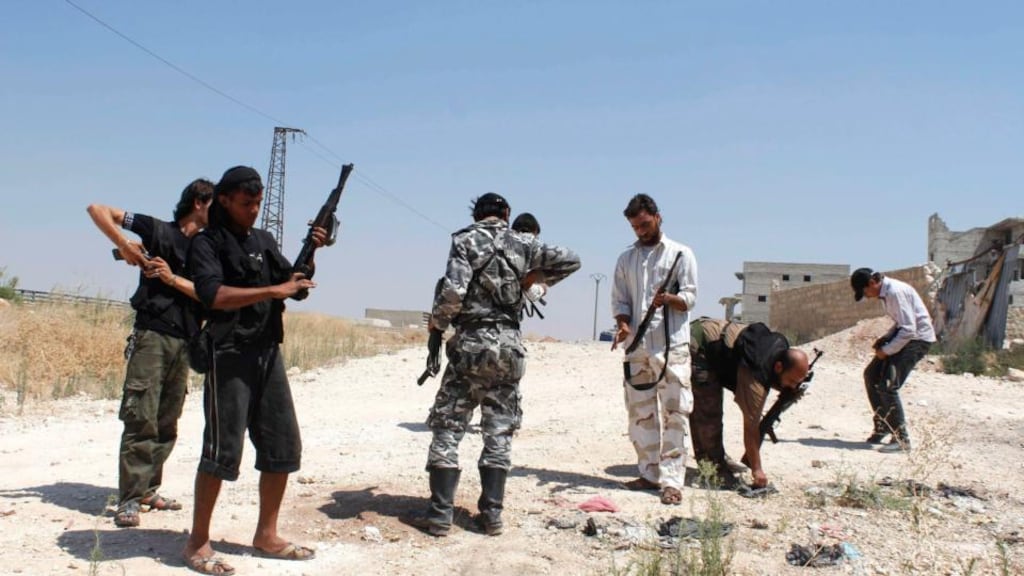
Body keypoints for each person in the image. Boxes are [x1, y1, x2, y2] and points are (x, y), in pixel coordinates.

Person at [182, 166, 329, 575]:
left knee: (283, 446)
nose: (254, 211)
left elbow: (293, 283)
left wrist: (313, 250)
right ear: (224, 200)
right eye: (247, 204)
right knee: (221, 451)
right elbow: (212, 295)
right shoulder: (207, 243)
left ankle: (266, 535)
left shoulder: (262, 241)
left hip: (267, 353)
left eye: (258, 203)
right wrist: (274, 291)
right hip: (228, 354)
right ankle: (197, 542)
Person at [407, 193, 580, 537]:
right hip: (508, 348)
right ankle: (492, 516)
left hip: (470, 345)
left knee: (448, 426)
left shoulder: (464, 239)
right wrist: (532, 279)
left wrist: (438, 324)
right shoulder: (524, 241)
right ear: (506, 214)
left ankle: (441, 515)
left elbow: (453, 291)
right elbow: (571, 260)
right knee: (498, 430)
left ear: (477, 214)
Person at [86, 179, 213, 528]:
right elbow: (99, 210)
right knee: (141, 415)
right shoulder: (157, 230)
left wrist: (174, 279)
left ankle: (148, 489)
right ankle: (129, 499)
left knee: (167, 419)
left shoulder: (208, 248)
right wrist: (125, 245)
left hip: (187, 339)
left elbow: (212, 295)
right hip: (153, 335)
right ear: (200, 203)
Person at [610, 193, 697, 506]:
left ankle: (673, 482)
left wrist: (670, 299)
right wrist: (623, 325)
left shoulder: (681, 254)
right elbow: (620, 300)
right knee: (640, 413)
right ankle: (649, 474)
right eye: (635, 227)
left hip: (671, 347)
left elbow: (690, 297)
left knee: (675, 413)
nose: (640, 232)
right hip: (637, 349)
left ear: (658, 217)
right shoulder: (626, 259)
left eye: (644, 225)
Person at [689, 318, 810, 488]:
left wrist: (789, 393)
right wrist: (757, 469)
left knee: (709, 408)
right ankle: (713, 468)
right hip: (701, 344)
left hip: (720, 346)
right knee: (708, 411)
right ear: (778, 367)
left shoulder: (778, 351)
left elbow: (781, 380)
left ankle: (715, 458)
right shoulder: (756, 373)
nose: (792, 386)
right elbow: (751, 427)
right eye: (791, 381)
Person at [850, 268, 936, 453]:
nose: (867, 295)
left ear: (872, 283)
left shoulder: (895, 292)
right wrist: (886, 337)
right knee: (871, 374)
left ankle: (901, 439)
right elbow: (900, 323)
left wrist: (887, 350)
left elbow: (909, 330)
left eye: (865, 291)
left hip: (917, 340)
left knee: (888, 385)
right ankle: (883, 425)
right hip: (905, 337)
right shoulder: (886, 294)